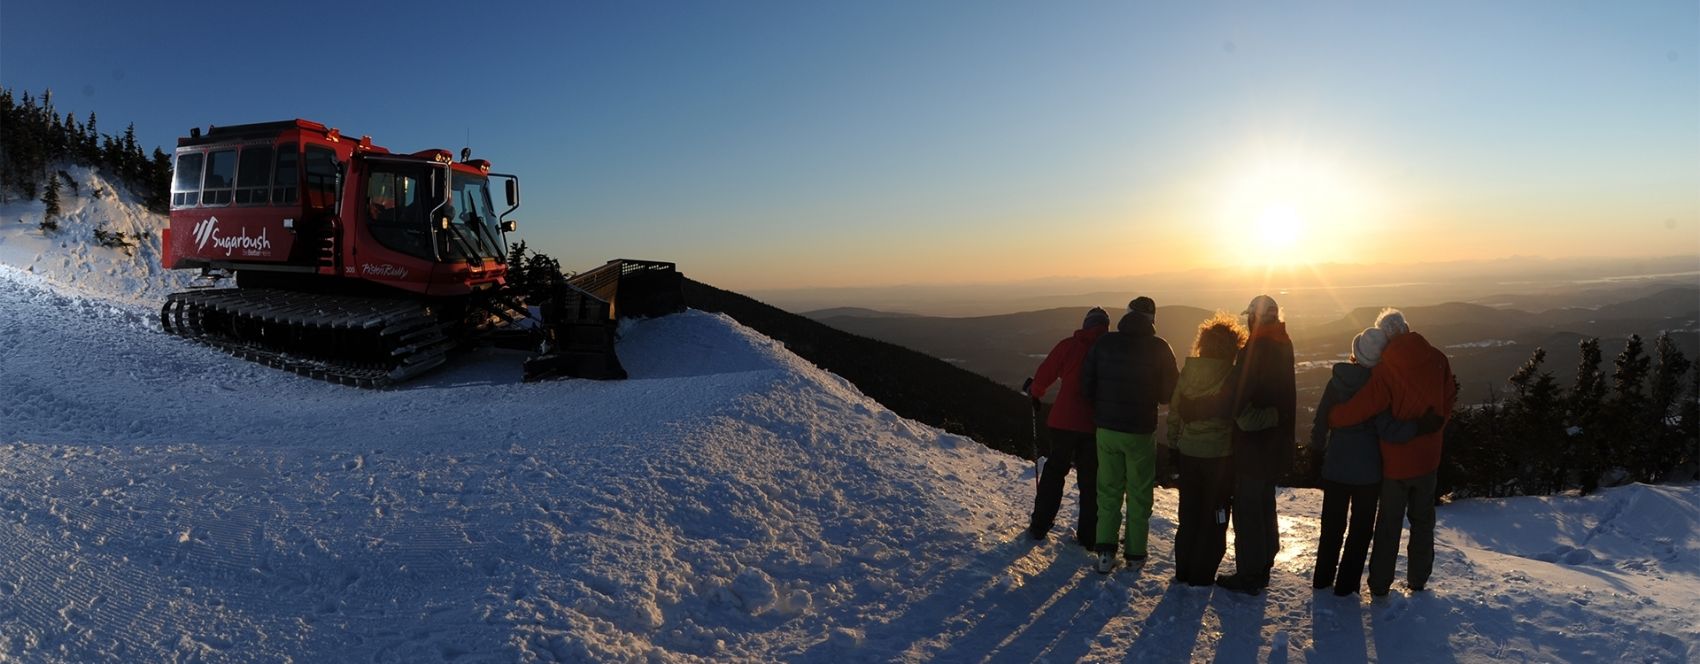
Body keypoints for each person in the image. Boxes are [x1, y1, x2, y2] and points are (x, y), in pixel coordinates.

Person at [1328, 309, 1456, 597]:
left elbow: (1365, 405)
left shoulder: (1386, 368)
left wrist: (1335, 416)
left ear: (1386, 336)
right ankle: (1419, 579)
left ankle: (1380, 583)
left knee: (1389, 524)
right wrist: (1435, 430)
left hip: (1395, 463)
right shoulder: (1437, 359)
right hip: (1428, 459)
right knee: (1423, 521)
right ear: (1408, 328)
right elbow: (1448, 399)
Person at [1080, 297, 1179, 573]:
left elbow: (1086, 384)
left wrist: (1101, 407)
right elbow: (1168, 394)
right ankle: (1135, 554)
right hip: (1139, 432)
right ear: (1152, 320)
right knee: (1138, 493)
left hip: (1107, 430)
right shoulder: (1160, 348)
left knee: (1108, 491)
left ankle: (1105, 552)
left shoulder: (1105, 343)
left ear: (1127, 315)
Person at [1215, 295, 1296, 595]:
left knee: (1248, 509)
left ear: (1253, 318)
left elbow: (1239, 396)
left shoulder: (1256, 348)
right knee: (1264, 503)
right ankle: (1263, 562)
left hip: (1254, 445)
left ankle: (1250, 574)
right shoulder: (1283, 343)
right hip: (1276, 443)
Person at [1164, 312, 1246, 587]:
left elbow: (1175, 410)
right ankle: (1203, 573)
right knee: (1216, 515)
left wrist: (1174, 445)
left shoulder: (1189, 370)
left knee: (1189, 513)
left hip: (1188, 453)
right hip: (1220, 456)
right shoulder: (1232, 374)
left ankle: (1183, 570)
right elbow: (1235, 414)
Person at [1025, 307, 1112, 548]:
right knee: (1091, 480)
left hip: (1062, 421)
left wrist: (1036, 392)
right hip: (1095, 425)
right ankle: (1089, 535)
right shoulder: (1110, 350)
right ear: (1106, 327)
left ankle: (1040, 525)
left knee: (1054, 472)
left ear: (1086, 325)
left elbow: (1045, 374)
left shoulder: (1069, 345)